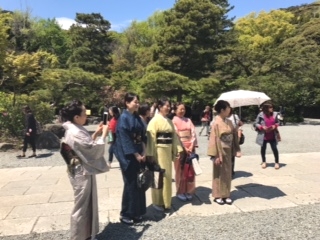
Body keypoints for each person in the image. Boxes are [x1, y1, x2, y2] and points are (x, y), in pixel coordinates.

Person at [60, 100, 109, 240]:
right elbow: (92, 150)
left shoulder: (75, 128)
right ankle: (78, 237)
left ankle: (86, 234)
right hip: (81, 171)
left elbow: (85, 146)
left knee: (86, 203)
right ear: (76, 117)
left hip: (81, 169)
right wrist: (104, 134)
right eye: (84, 113)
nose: (86, 116)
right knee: (81, 205)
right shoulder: (75, 131)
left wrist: (97, 133)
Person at [113, 93, 147, 225]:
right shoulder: (123, 118)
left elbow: (143, 135)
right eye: (135, 102)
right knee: (130, 183)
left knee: (139, 183)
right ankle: (126, 213)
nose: (137, 104)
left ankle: (137, 212)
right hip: (128, 156)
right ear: (127, 103)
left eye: (138, 102)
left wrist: (144, 150)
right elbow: (125, 139)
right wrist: (136, 154)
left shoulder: (137, 117)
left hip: (139, 152)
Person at [146, 97, 183, 211]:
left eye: (169, 106)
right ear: (160, 107)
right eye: (166, 106)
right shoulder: (154, 121)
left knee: (167, 177)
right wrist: (150, 154)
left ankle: (166, 201)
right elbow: (151, 138)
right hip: (158, 151)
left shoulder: (169, 121)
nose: (168, 108)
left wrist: (177, 149)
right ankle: (157, 202)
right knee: (158, 176)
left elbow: (174, 137)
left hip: (167, 150)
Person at [207, 100, 241, 205]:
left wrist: (236, 148)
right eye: (228, 108)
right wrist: (215, 155)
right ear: (222, 110)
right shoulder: (215, 122)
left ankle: (226, 194)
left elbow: (234, 135)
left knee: (227, 171)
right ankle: (217, 194)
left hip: (229, 148)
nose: (229, 109)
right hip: (219, 149)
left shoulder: (229, 121)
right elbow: (213, 138)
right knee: (219, 172)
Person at [172, 102, 198, 201]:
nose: (182, 111)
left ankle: (189, 190)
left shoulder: (188, 120)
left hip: (190, 146)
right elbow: (176, 135)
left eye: (184, 109)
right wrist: (184, 147)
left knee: (189, 170)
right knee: (180, 170)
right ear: (175, 110)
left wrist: (191, 145)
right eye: (180, 109)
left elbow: (193, 132)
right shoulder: (173, 121)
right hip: (180, 147)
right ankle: (180, 191)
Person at [254, 102, 280, 169]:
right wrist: (262, 127)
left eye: (272, 107)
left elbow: (278, 122)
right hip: (263, 135)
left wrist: (275, 126)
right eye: (270, 107)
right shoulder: (261, 114)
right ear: (266, 108)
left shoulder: (275, 114)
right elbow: (256, 123)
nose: (272, 108)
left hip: (272, 134)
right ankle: (264, 161)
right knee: (263, 149)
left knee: (274, 148)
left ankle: (277, 162)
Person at [227, 108, 243, 176]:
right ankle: (226, 170)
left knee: (232, 154)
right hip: (225, 137)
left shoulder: (234, 116)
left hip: (233, 136)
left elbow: (239, 125)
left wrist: (239, 135)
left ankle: (231, 171)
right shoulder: (221, 116)